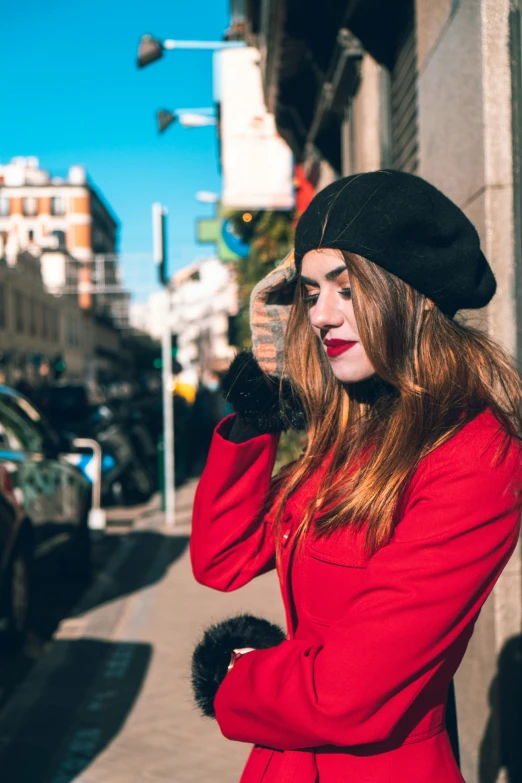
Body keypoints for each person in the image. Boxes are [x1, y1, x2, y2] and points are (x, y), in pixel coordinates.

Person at [189, 170, 522, 783]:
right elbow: (223, 558)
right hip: (283, 759)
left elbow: (347, 692)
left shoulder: (475, 454)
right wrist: (264, 402)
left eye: (345, 289)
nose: (321, 314)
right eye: (311, 292)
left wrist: (236, 676)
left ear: (412, 293)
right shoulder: (359, 427)